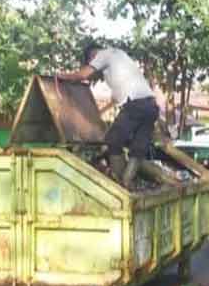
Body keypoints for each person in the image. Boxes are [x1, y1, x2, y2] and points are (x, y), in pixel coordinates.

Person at [57, 42, 159, 187]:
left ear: (92, 57)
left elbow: (82, 75)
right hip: (151, 106)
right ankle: (128, 182)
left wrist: (62, 76)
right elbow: (115, 100)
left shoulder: (102, 55)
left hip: (136, 105)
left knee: (113, 141)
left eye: (90, 63)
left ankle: (118, 185)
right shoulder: (119, 56)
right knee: (138, 148)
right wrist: (98, 114)